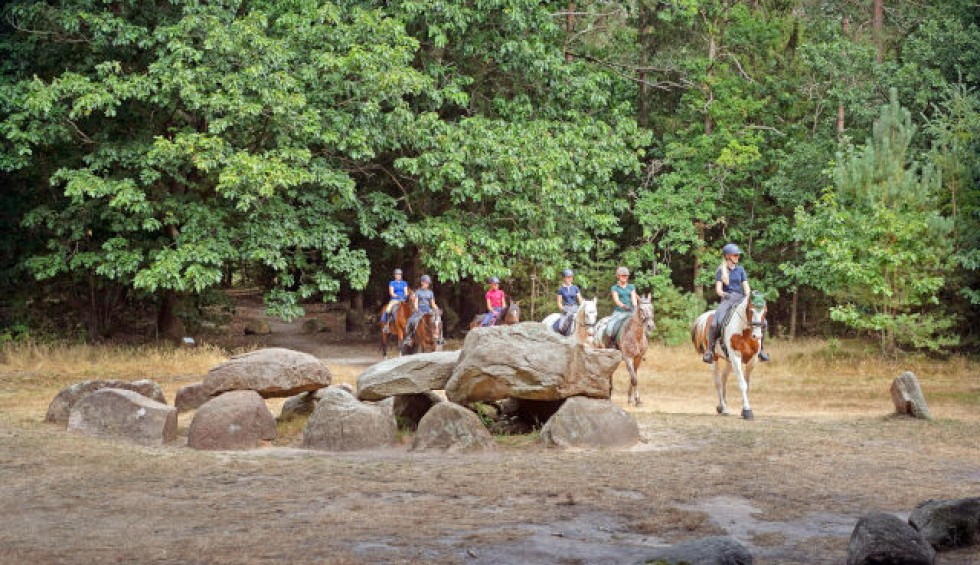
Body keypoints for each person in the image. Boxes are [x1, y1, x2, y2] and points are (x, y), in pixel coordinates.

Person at [702, 243, 770, 363]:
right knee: (714, 324)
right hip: (727, 299)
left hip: (740, 299)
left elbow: (746, 287)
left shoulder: (740, 270)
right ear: (728, 256)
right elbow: (718, 289)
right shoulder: (720, 270)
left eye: (738, 255)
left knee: (763, 321)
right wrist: (724, 294)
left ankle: (761, 350)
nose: (738, 257)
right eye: (735, 255)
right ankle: (710, 351)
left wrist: (749, 297)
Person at [604, 266, 638, 347]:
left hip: (631, 311)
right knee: (609, 328)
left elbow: (634, 299)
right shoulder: (614, 288)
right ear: (618, 276)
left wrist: (635, 307)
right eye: (622, 276)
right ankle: (610, 345)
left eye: (626, 276)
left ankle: (641, 347)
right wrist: (623, 306)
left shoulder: (631, 287)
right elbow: (616, 300)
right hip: (619, 312)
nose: (624, 277)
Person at [402, 275, 438, 348]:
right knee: (411, 321)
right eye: (426, 283)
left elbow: (432, 303)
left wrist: (436, 308)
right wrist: (417, 309)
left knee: (438, 320)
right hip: (420, 310)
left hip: (428, 310)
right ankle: (409, 337)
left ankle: (440, 337)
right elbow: (416, 303)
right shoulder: (418, 292)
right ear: (422, 282)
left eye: (428, 283)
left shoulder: (430, 292)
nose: (427, 284)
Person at [553, 269, 583, 336]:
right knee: (561, 326)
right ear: (564, 278)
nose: (570, 279)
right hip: (566, 309)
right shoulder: (561, 289)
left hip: (575, 308)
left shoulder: (575, 288)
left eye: (571, 277)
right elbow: (559, 302)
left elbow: (580, 299)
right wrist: (563, 309)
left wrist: (583, 306)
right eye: (568, 277)